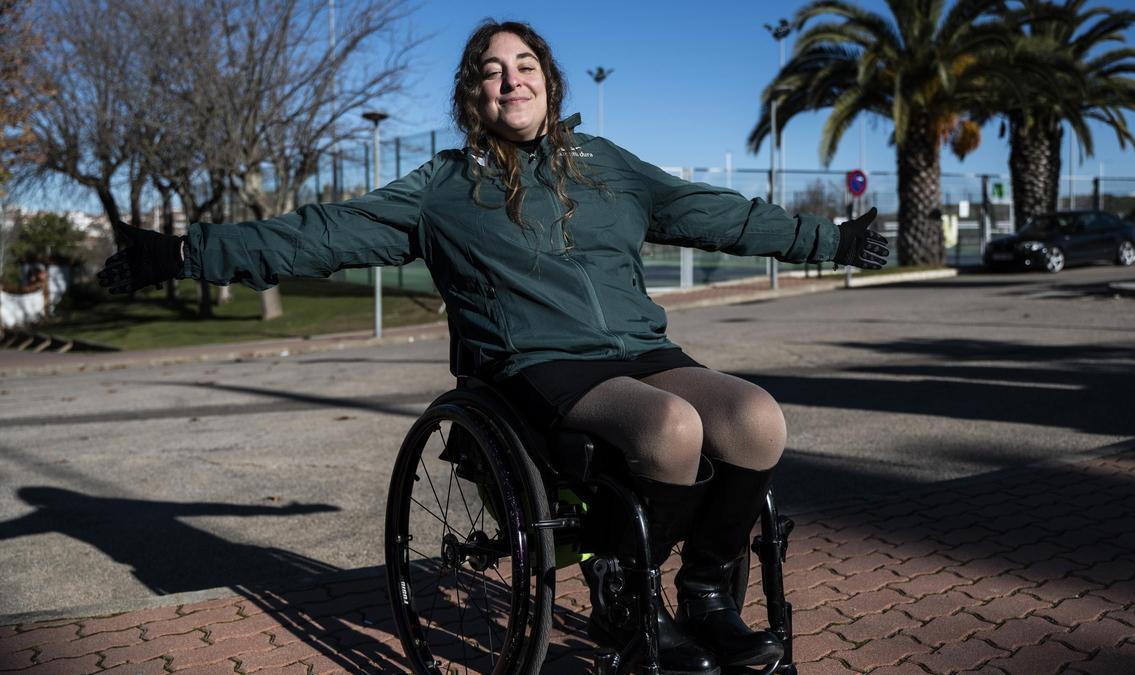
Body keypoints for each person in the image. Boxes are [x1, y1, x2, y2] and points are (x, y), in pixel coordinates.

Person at [99, 20, 888, 674]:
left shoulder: (607, 166)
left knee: (756, 417)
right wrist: (179, 253)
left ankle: (707, 596)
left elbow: (717, 214)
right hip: (534, 365)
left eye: (524, 64)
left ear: (549, 79)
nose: (509, 79)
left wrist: (833, 238)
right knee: (672, 427)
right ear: (471, 95)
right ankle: (632, 600)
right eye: (489, 70)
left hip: (639, 347)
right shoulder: (441, 189)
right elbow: (318, 234)